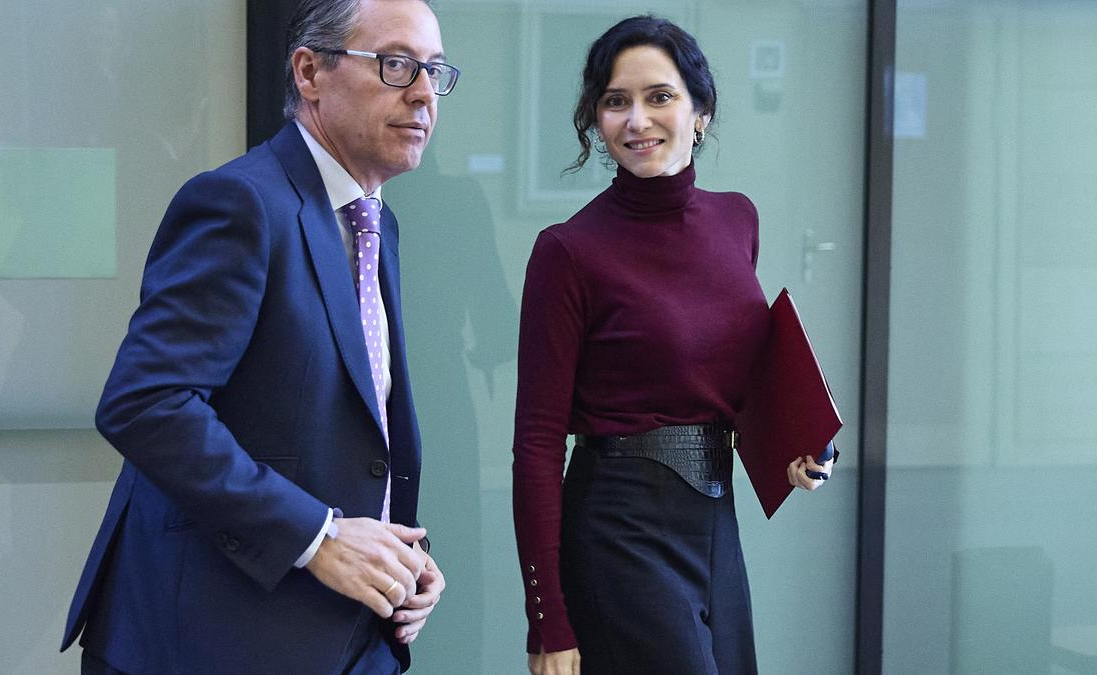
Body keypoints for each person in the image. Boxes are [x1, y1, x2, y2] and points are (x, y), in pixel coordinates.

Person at [60, 1, 457, 672]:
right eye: (396, 65)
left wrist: (402, 558)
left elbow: (339, 428)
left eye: (434, 70)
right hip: (215, 636)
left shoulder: (375, 222)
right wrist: (319, 535)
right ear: (310, 71)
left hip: (347, 631)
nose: (423, 92)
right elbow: (146, 402)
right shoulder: (241, 203)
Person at [511, 16, 836, 675]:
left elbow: (739, 374)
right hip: (617, 526)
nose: (637, 120)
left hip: (716, 521)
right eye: (615, 101)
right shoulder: (568, 251)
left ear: (701, 112)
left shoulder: (736, 219)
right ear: (596, 119)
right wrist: (548, 621)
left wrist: (807, 442)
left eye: (659, 96)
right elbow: (537, 445)